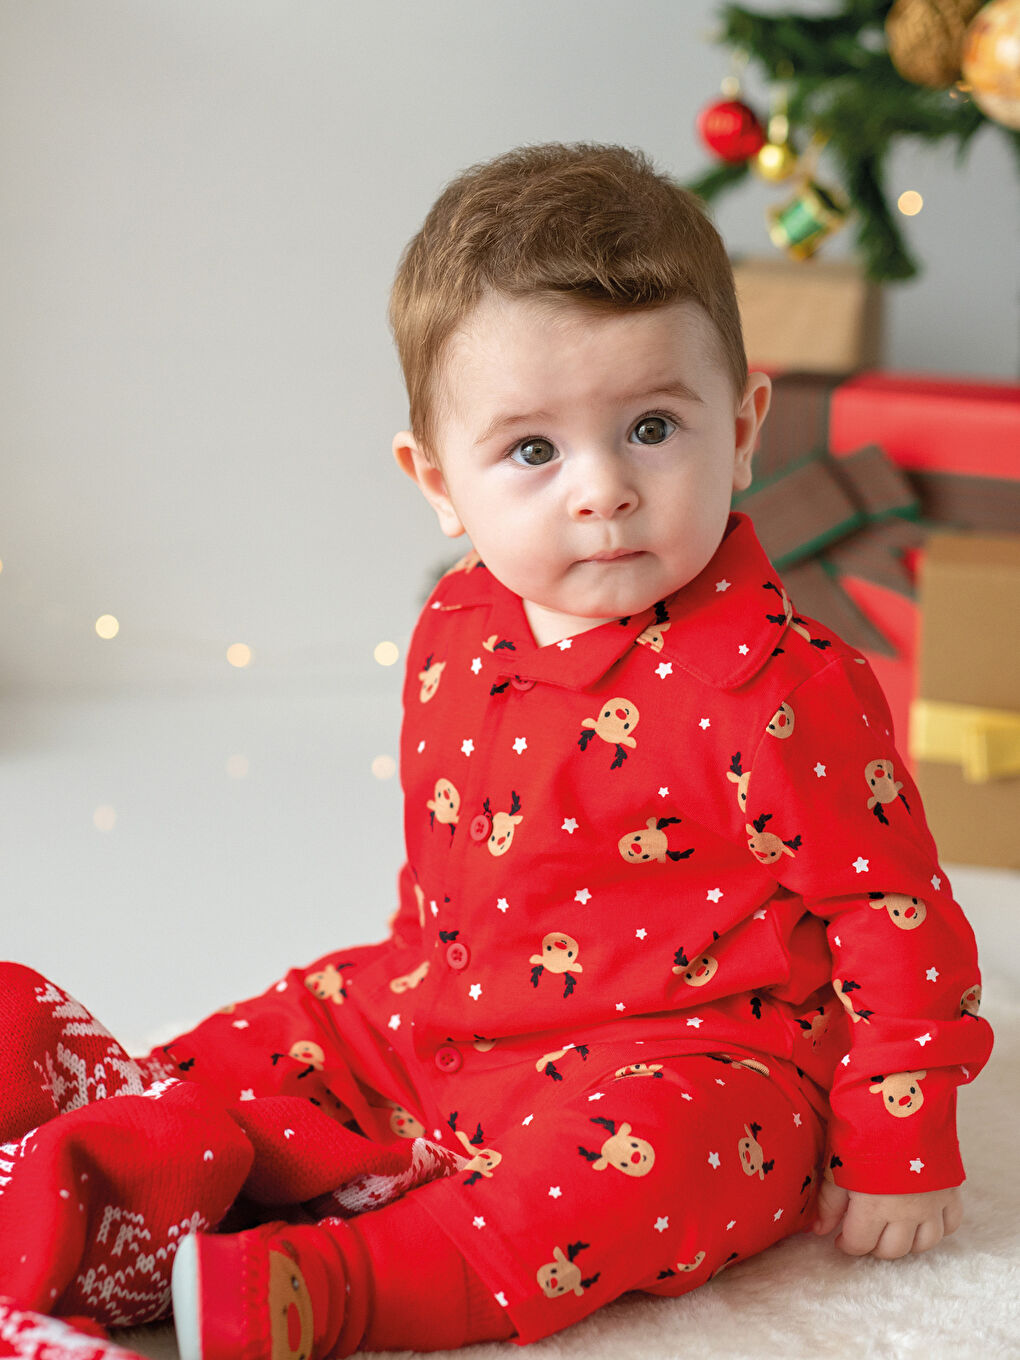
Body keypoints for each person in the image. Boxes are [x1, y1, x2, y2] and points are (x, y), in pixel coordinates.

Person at [14, 142, 996, 1359]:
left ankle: (344, 1284)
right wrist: (393, 1008)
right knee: (279, 1033)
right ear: (436, 480)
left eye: (650, 427)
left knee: (660, 1171)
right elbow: (450, 854)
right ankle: (103, 1144)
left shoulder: (779, 685)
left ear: (744, 430)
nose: (602, 490)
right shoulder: (456, 623)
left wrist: (901, 1140)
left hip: (692, 1050)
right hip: (447, 998)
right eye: (533, 450)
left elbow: (895, 913)